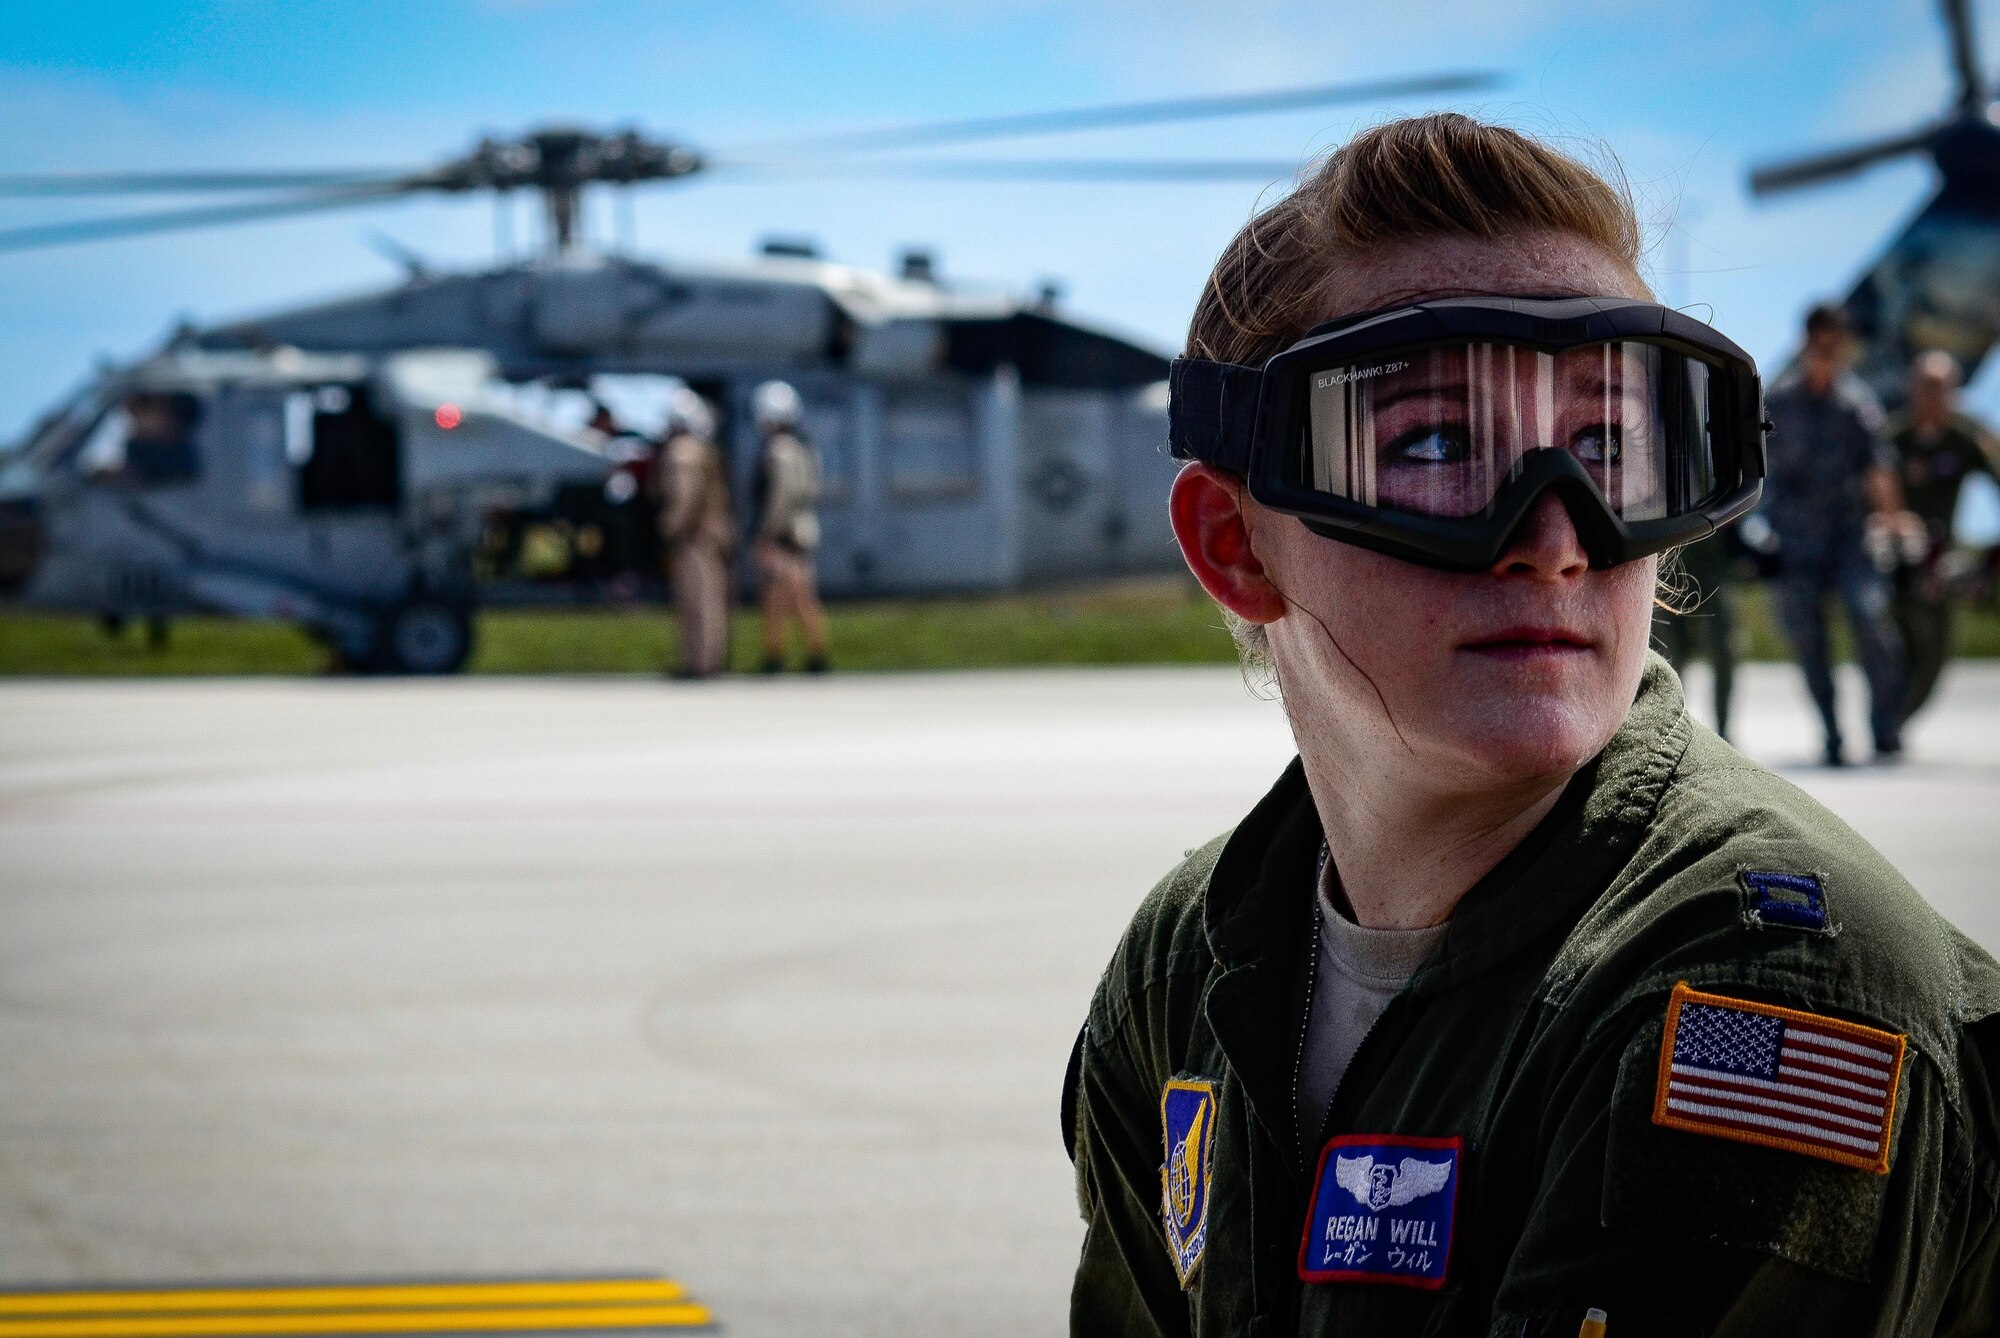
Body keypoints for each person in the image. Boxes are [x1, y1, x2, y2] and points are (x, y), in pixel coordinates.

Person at [1063, 114, 2000, 1337]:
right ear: (1235, 546)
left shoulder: (1758, 1000)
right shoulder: (1194, 960)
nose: (1551, 540)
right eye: (1438, 446)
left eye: (1606, 446)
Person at [1759, 304, 1908, 765]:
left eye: (1833, 343)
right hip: (1795, 540)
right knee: (1808, 640)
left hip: (1848, 538)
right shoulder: (1778, 402)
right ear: (1806, 342)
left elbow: (1878, 467)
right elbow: (1759, 472)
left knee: (1871, 620)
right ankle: (1832, 735)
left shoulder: (1856, 404)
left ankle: (1884, 729)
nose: (1825, 351)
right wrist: (1754, 529)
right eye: (1818, 342)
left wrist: (1894, 520)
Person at [1881, 350, 1999, 721]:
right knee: (1894, 639)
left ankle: (1896, 721)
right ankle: (1883, 718)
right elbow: (1867, 486)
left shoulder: (1965, 438)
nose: (1932, 395)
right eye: (1925, 386)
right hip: (1892, 552)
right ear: (1912, 388)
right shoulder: (1892, 437)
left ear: (1954, 391)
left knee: (1937, 647)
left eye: (1940, 387)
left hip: (1940, 553)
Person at [749, 380, 830, 673]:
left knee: (778, 596)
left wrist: (766, 534)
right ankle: (813, 654)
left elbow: (779, 497)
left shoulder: (778, 451)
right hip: (801, 529)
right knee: (802, 596)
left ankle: (777, 657)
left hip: (784, 534)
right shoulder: (803, 447)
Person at [656, 387, 733, 678]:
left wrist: (670, 529)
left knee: (695, 600)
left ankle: (698, 664)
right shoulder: (704, 451)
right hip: (712, 534)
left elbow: (684, 498)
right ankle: (710, 660)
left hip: (694, 537)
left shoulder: (681, 454)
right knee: (711, 598)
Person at [1649, 535, 1739, 741]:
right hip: (1669, 569)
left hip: (1711, 569)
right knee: (1669, 657)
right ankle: (1669, 732)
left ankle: (1723, 732)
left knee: (1725, 652)